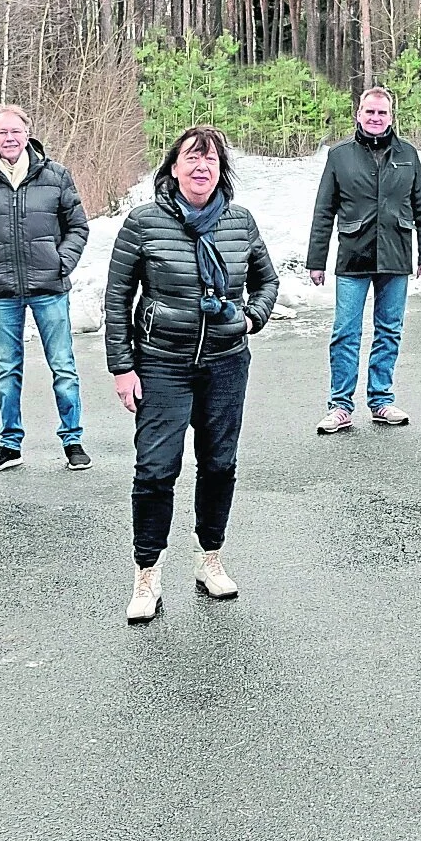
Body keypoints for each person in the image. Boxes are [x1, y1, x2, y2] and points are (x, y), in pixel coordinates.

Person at [104, 125, 279, 624]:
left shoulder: (240, 222)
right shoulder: (144, 222)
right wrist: (122, 366)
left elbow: (266, 279)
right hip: (161, 362)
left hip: (226, 362)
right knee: (156, 470)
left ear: (221, 169)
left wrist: (251, 318)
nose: (201, 167)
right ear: (174, 167)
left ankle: (210, 559)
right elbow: (117, 300)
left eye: (210, 160)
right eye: (191, 158)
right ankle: (147, 574)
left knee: (219, 464)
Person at [0, 103, 94, 473]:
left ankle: (73, 440)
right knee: (7, 370)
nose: (9, 138)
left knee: (63, 367)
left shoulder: (56, 175)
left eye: (15, 131)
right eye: (2, 132)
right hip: (0, 291)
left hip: (50, 287)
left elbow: (78, 226)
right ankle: (9, 445)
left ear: (27, 134)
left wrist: (60, 262)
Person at [307, 87, 421, 435]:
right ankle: (340, 406)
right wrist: (316, 260)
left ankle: (381, 399)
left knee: (389, 331)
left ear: (391, 116)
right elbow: (324, 211)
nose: (375, 118)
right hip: (353, 254)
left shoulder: (408, 154)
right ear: (359, 115)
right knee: (345, 332)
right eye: (369, 112)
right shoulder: (340, 156)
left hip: (396, 253)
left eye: (382, 113)